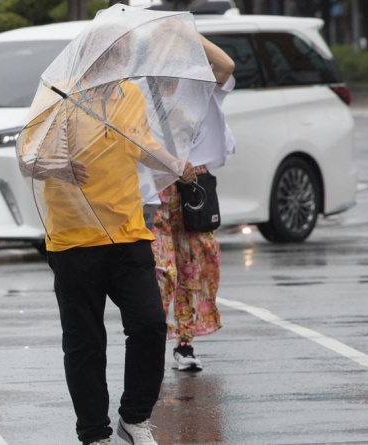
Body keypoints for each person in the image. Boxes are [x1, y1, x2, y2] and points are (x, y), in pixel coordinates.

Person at [19, 28, 197, 444]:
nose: (117, 63)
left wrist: (176, 164)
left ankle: (134, 417)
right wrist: (56, 168)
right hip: (74, 238)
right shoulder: (58, 96)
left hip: (127, 231)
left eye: (121, 56)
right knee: (84, 340)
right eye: (110, 55)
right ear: (89, 57)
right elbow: (28, 156)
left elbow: (144, 145)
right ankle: (93, 431)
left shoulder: (128, 97)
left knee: (151, 324)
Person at [148, 35, 236, 372]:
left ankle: (185, 343)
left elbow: (226, 65)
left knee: (195, 265)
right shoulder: (140, 92)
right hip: (157, 190)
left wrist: (185, 31)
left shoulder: (198, 87)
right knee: (161, 271)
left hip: (193, 187)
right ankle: (154, 340)